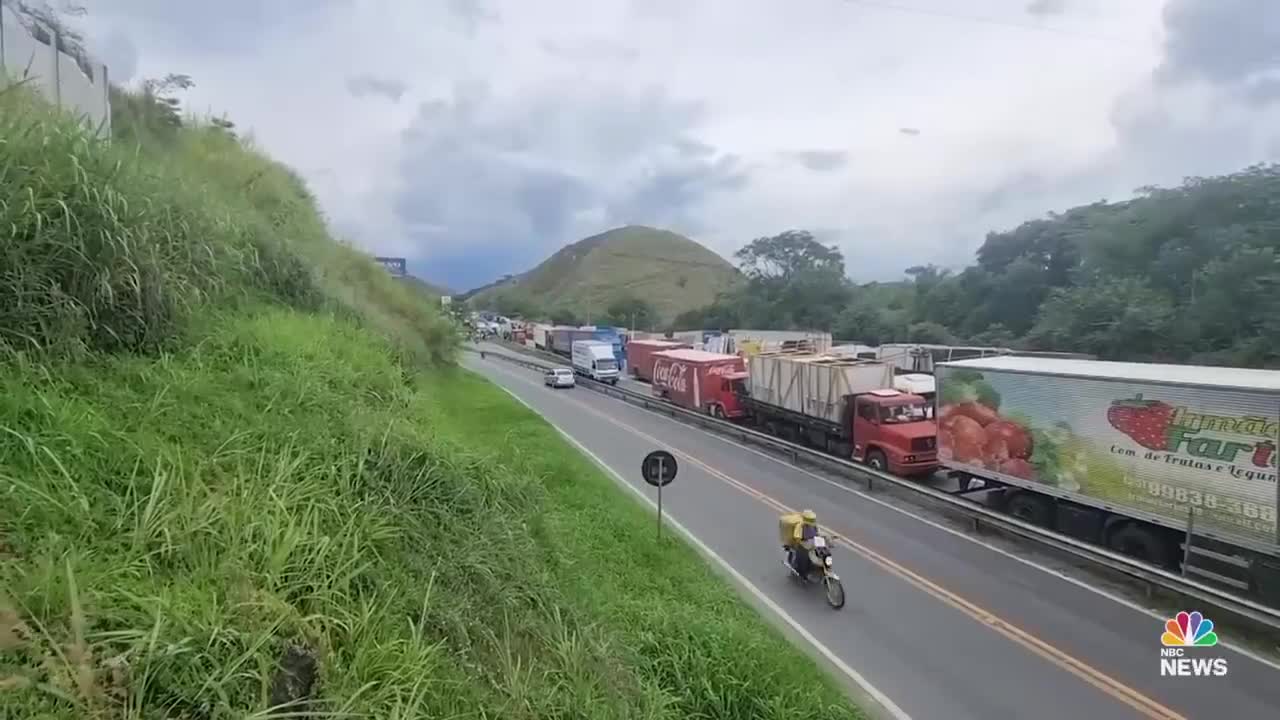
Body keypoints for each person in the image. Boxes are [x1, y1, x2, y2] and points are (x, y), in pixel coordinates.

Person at [785, 509, 821, 579]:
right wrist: (803, 542)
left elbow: (818, 533)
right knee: (804, 558)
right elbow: (797, 537)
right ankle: (803, 573)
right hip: (803, 545)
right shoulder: (800, 526)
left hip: (812, 544)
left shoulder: (814, 525)